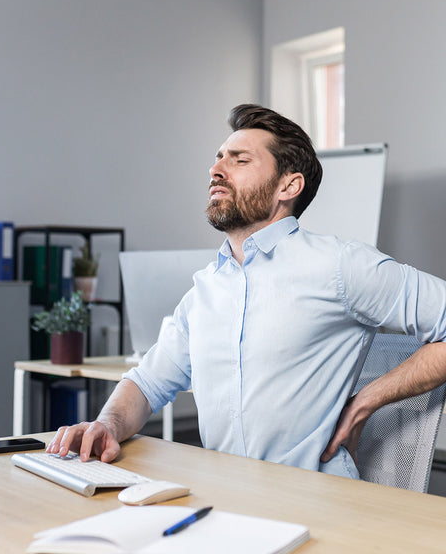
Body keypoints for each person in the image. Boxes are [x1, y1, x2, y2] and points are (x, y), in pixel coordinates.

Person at [47, 104, 446, 479]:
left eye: (239, 160)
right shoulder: (204, 290)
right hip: (226, 499)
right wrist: (106, 425)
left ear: (288, 185)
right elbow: (147, 384)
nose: (216, 169)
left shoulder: (340, 266)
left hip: (317, 504)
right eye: (219, 158)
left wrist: (367, 400)